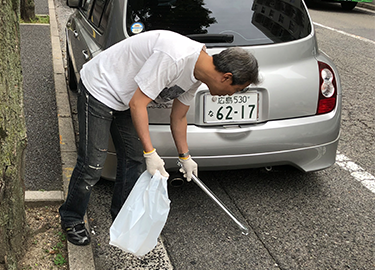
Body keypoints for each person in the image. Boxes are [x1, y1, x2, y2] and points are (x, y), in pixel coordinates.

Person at [58, 30, 260, 246]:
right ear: (226, 77)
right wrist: (150, 152)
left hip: (127, 97)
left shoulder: (197, 74)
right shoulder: (175, 57)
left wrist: (185, 157)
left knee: (133, 159)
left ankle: (122, 216)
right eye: (236, 89)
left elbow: (179, 116)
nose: (231, 95)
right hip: (101, 88)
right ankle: (71, 217)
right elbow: (138, 104)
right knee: (92, 164)